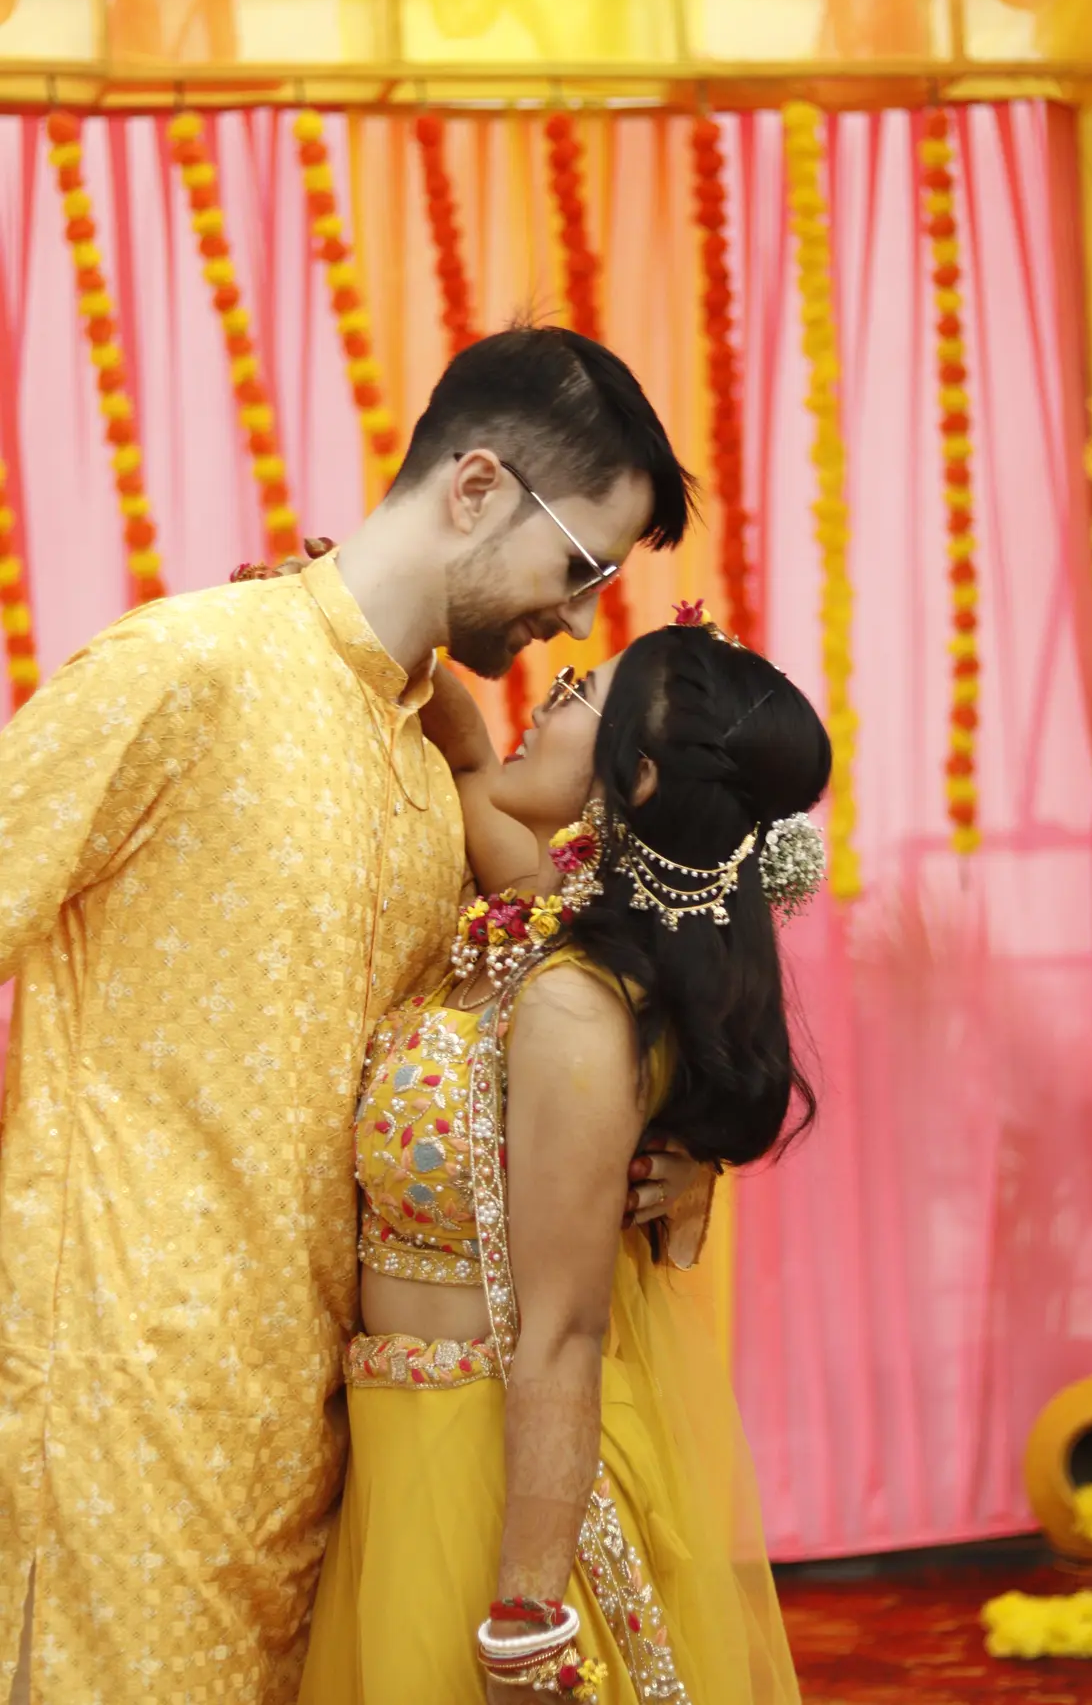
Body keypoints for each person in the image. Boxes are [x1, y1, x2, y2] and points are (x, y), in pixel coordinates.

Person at [0, 328, 705, 1705]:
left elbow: (543, 1022)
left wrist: (681, 1155)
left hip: (333, 1446)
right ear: (477, 487)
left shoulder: (436, 772)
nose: (578, 621)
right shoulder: (188, 668)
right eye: (581, 567)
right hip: (124, 1418)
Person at [298, 608, 831, 1704]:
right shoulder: (538, 917)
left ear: (637, 778)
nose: (549, 692)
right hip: (404, 1452)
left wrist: (527, 1620)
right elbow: (476, 772)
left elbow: (566, 1330)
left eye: (584, 689)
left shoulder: (579, 1004)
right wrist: (340, 624)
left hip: (497, 1479)